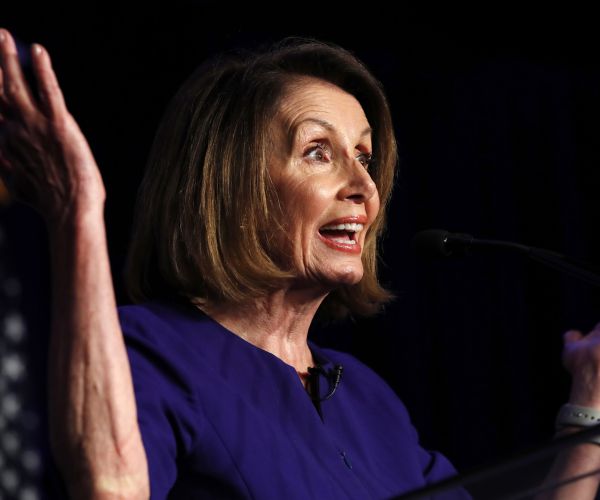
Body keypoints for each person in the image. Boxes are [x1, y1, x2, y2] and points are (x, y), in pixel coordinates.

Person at [1, 27, 600, 499]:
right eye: (319, 152)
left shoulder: (367, 400)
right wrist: (76, 209)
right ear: (231, 187)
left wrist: (588, 399)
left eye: (364, 155)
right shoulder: (149, 350)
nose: (364, 184)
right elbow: (111, 490)